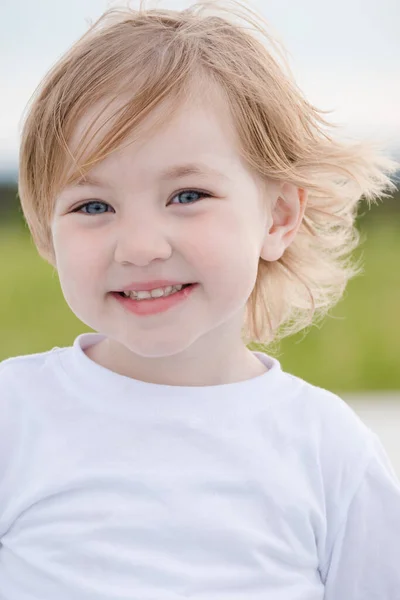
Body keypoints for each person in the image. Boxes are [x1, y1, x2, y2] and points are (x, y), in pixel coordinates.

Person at [1, 0, 399, 598]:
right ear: (46, 233)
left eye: (187, 195)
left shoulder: (327, 451)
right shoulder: (15, 416)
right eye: (92, 206)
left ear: (279, 217)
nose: (138, 247)